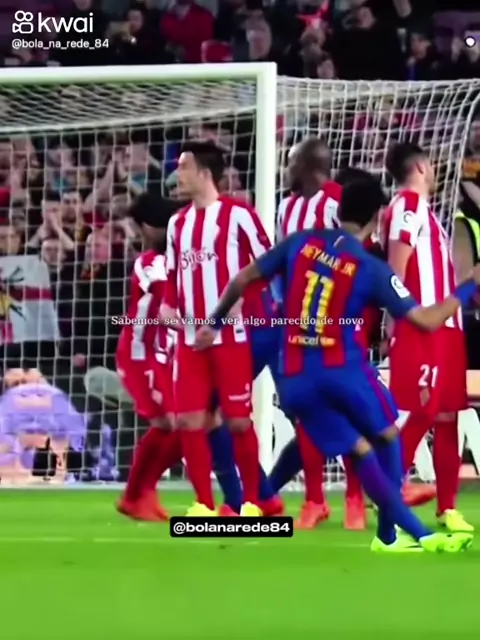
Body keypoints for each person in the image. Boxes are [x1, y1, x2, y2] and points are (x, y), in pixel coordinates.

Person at [194, 177, 478, 553]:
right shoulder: (370, 267)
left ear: (339, 210)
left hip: (295, 377)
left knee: (360, 450)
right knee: (387, 437)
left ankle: (398, 538)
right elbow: (426, 320)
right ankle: (405, 536)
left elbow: (244, 278)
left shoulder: (300, 242)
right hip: (343, 372)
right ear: (376, 218)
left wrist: (214, 323)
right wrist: (468, 286)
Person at [161, 141, 270, 517]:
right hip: (190, 341)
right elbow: (173, 275)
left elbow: (267, 266)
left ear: (205, 173)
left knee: (238, 421)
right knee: (189, 420)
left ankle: (253, 502)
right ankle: (204, 503)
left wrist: (236, 308)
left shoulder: (239, 216)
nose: (177, 175)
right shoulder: (177, 224)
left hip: (230, 338)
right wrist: (167, 306)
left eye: (184, 167)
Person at [383, 143, 473, 532]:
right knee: (420, 412)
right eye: (431, 165)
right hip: (422, 327)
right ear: (420, 166)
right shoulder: (407, 205)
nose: (435, 171)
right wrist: (395, 320)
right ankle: (388, 497)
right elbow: (395, 269)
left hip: (448, 328)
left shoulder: (425, 212)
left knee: (448, 416)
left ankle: (447, 508)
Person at [276, 153, 365, 530]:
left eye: (291, 163)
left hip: (339, 320)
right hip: (298, 324)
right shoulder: (286, 208)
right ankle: (314, 499)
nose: (285, 169)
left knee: (347, 407)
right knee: (308, 412)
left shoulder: (336, 200)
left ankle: (355, 497)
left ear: (309, 167)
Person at [115, 193, 182, 522]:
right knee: (167, 422)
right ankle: (133, 496)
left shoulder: (178, 262)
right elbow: (164, 296)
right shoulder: (150, 263)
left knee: (187, 424)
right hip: (141, 354)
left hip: (165, 354)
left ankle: (146, 490)